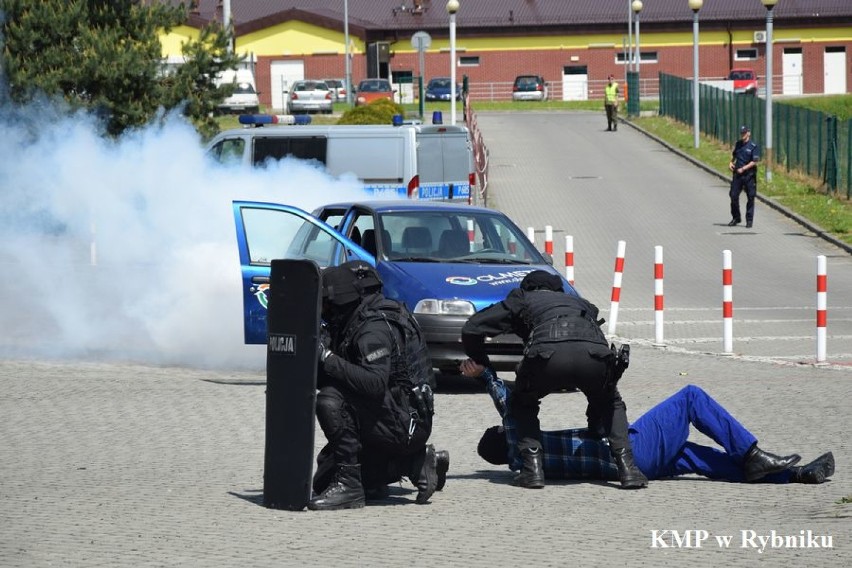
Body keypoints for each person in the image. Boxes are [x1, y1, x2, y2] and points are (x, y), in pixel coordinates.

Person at [472, 365, 834, 485]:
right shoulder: (522, 446)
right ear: (503, 437)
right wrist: (483, 372)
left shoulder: (525, 464)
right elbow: (508, 403)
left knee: (693, 456)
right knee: (690, 397)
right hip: (631, 450)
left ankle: (794, 475)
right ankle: (751, 451)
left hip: (638, 465)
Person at [460, 270, 647, 490]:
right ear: (558, 290)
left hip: (547, 359)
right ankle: (628, 470)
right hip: (594, 357)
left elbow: (472, 328)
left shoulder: (521, 299)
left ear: (527, 288)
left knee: (522, 404)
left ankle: (532, 470)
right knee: (609, 402)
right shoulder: (580, 302)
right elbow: (593, 318)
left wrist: (483, 364)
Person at [309, 260, 446, 510]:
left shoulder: (372, 330)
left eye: (326, 305)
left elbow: (373, 383)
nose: (324, 311)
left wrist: (327, 358)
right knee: (323, 479)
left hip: (405, 424)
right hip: (393, 416)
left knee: (330, 401)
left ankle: (352, 487)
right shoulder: (357, 320)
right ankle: (415, 462)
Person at [728, 124, 761, 228]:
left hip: (748, 175)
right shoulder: (738, 144)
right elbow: (734, 156)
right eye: (741, 133)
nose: (743, 134)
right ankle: (736, 217)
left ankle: (749, 220)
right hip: (737, 174)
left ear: (749, 133)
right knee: (733, 195)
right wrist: (731, 163)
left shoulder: (753, 146)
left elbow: (754, 161)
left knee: (750, 197)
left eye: (744, 133)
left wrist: (744, 168)